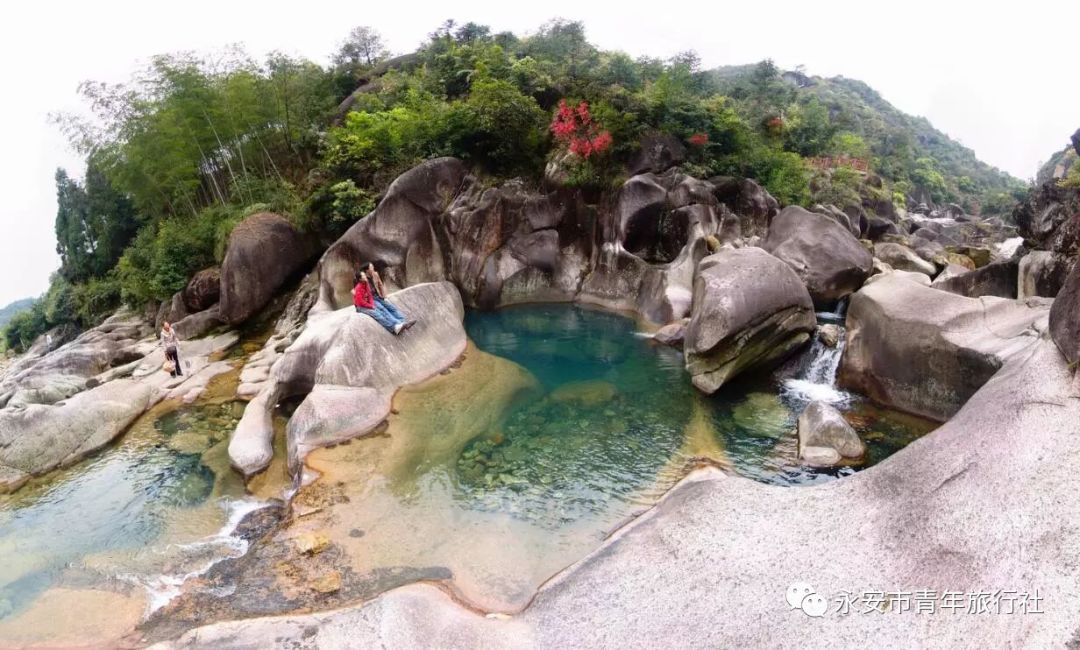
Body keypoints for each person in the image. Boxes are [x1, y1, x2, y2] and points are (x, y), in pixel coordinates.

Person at [365, 261, 414, 328]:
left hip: (378, 296)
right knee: (383, 310)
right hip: (371, 299)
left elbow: (380, 285)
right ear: (367, 270)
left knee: (391, 307)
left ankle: (404, 322)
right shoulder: (363, 278)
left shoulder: (375, 274)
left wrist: (383, 295)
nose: (373, 268)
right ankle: (399, 324)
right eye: (371, 267)